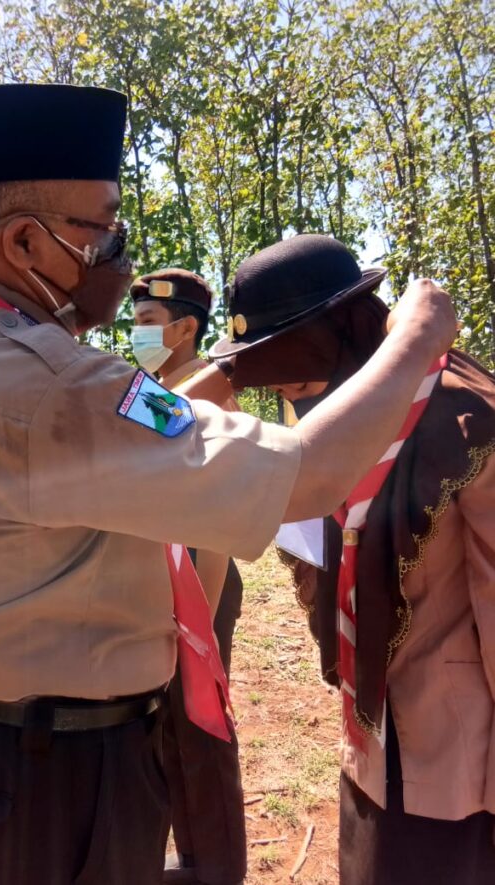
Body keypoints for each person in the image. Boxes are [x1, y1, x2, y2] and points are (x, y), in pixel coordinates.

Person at [0, 82, 455, 885]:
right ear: (24, 243)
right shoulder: (40, 381)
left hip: (22, 747)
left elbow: (133, 428)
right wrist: (419, 331)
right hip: (54, 773)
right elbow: (307, 476)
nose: (120, 251)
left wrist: (232, 367)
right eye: (102, 226)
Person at [208, 233, 495, 885]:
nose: (303, 403)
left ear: (349, 330)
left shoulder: (459, 415)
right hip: (370, 728)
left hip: (458, 756)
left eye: (304, 380)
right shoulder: (341, 408)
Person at [131, 269, 246, 885]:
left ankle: (218, 865)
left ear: (185, 328)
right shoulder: (156, 385)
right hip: (158, 581)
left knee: (199, 724)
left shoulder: (203, 393)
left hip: (200, 581)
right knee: (166, 727)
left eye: (147, 324)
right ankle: (193, 853)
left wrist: (198, 610)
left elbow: (221, 517)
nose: (137, 334)